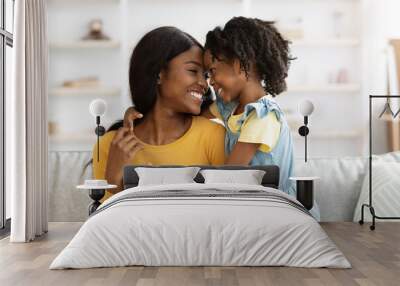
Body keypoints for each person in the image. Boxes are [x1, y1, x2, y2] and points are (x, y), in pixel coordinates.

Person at [92, 27, 225, 202]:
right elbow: (105, 222)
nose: (204, 83)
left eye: (206, 76)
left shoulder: (213, 135)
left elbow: (225, 208)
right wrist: (113, 182)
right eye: (193, 71)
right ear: (159, 75)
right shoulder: (110, 144)